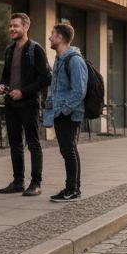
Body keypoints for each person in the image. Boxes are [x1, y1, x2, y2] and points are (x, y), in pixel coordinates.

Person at [0, 12, 51, 197]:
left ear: (25, 27)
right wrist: (2, 85)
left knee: (33, 144)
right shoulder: (9, 50)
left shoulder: (35, 49)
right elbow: (5, 74)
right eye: (10, 26)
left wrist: (23, 92)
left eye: (15, 26)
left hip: (29, 104)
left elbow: (46, 78)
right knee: (15, 143)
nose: (11, 29)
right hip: (11, 104)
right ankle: (18, 181)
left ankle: (36, 183)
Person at [44, 22, 88, 202]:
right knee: (68, 149)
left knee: (68, 150)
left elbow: (79, 90)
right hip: (60, 112)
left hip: (69, 114)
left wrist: (64, 110)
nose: (50, 37)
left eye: (52, 34)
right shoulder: (60, 60)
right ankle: (73, 188)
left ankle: (72, 189)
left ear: (61, 37)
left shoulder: (74, 60)